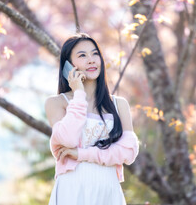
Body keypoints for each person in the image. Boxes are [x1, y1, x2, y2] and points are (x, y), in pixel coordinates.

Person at [45, 33, 139, 205]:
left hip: (108, 192)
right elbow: (68, 139)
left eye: (95, 54)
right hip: (73, 191)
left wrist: (82, 154)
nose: (91, 60)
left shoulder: (119, 105)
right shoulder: (57, 103)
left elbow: (128, 152)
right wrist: (78, 94)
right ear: (68, 65)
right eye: (82, 55)